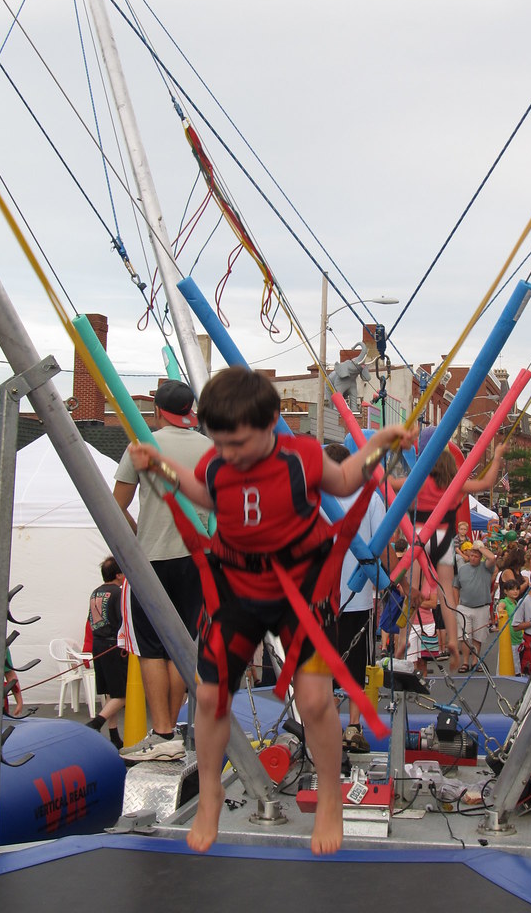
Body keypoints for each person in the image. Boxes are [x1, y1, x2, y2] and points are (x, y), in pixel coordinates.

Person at [127, 366, 417, 856]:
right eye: (221, 444)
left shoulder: (303, 458)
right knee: (210, 695)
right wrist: (161, 468)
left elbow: (346, 481)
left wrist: (379, 443)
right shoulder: (217, 464)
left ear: (271, 425)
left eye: (240, 443)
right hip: (237, 586)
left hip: (300, 587)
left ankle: (329, 796)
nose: (231, 454)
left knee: (316, 699)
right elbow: (204, 495)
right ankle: (212, 793)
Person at [114, 380, 212, 762]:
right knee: (183, 645)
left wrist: (141, 533)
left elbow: (116, 504)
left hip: (153, 556)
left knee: (153, 649)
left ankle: (163, 732)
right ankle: (172, 730)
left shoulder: (142, 447)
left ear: (156, 411)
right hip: (196, 557)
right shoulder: (209, 449)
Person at [388, 441, 506, 673]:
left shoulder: (419, 482)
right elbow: (486, 482)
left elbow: (390, 483)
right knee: (446, 594)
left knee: (412, 593)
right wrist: (498, 455)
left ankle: (402, 642)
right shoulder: (455, 486)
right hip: (442, 535)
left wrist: (386, 461)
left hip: (420, 534)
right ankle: (452, 639)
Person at [323, 442, 386, 754]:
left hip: (324, 596)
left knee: (327, 662)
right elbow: (380, 545)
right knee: (357, 663)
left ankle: (330, 726)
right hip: (357, 594)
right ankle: (353, 726)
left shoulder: (316, 499)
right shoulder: (370, 499)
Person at [85, 557, 128, 749]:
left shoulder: (96, 592)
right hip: (113, 646)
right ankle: (96, 723)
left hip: (98, 644)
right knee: (122, 693)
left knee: (112, 692)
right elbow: (123, 620)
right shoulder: (118, 593)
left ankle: (114, 734)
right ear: (118, 575)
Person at [453, 542, 494, 671]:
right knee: (465, 636)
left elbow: (492, 558)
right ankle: (465, 662)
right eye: (471, 555)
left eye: (476, 556)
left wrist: (479, 547)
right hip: (464, 607)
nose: (473, 558)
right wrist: (456, 605)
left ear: (480, 557)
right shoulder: (462, 569)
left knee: (478, 636)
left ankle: (475, 660)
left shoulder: (486, 567)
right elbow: (456, 587)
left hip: (481, 607)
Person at [496, 578, 523, 674]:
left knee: (518, 663)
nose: (515, 591)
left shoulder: (516, 603)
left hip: (518, 638)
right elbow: (500, 606)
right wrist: (500, 610)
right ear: (505, 591)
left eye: (517, 589)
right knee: (511, 664)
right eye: (512, 589)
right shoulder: (505, 601)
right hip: (509, 640)